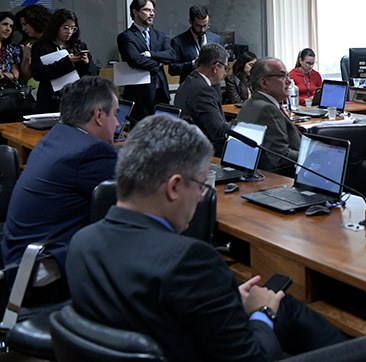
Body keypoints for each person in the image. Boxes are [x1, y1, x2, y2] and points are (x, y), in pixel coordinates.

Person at [65, 115, 347, 362]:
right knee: (295, 313)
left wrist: (220, 301)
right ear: (174, 187)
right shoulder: (191, 262)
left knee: (284, 304)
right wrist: (262, 312)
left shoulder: (82, 242)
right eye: (201, 185)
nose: (202, 197)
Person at [1, 76, 119, 302]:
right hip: (40, 272)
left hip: (17, 257)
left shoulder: (57, 136)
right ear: (98, 116)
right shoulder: (90, 152)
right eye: (115, 114)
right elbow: (140, 191)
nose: (117, 124)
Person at [236, 58, 302, 174]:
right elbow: (280, 156)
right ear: (264, 83)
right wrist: (308, 155)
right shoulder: (267, 109)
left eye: (288, 76)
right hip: (283, 175)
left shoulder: (250, 103)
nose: (289, 81)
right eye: (282, 76)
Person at [117, 0, 176, 124]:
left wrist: (150, 54)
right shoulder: (126, 36)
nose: (152, 14)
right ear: (135, 12)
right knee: (141, 134)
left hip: (161, 94)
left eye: (153, 10)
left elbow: (171, 55)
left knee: (164, 132)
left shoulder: (160, 35)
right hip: (140, 97)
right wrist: (158, 63)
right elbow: (135, 60)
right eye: (147, 10)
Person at [30, 8, 98, 113]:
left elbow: (94, 73)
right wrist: (67, 62)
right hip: (50, 100)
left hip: (75, 98)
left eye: (73, 28)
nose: (69, 32)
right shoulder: (41, 46)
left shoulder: (79, 46)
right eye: (66, 27)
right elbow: (38, 73)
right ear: (56, 26)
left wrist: (86, 63)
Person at [173, 44, 232, 154]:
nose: (225, 73)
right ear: (216, 67)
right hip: (203, 151)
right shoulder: (204, 90)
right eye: (225, 68)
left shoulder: (189, 81)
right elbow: (217, 131)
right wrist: (239, 127)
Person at [169, 5, 223, 84]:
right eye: (198, 26)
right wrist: (193, 64)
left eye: (205, 25)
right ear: (190, 22)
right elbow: (172, 69)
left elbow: (223, 64)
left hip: (213, 87)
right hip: (191, 87)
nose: (202, 30)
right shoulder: (178, 42)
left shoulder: (217, 39)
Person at [15, 4, 51, 82]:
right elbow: (27, 74)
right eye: (22, 26)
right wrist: (26, 57)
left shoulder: (56, 39)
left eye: (25, 24)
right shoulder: (28, 44)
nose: (23, 29)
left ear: (35, 21)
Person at [0, 11, 22, 86]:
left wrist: (3, 76)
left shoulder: (11, 48)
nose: (8, 29)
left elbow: (15, 74)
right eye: (5, 24)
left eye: (11, 26)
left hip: (6, 89)